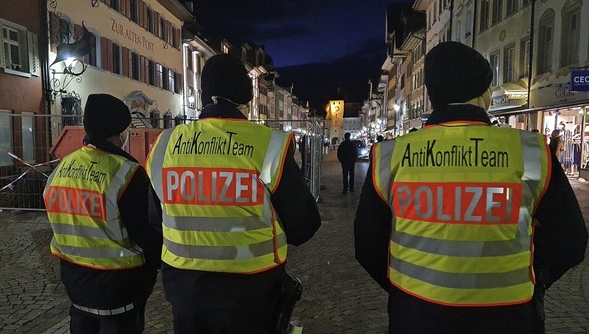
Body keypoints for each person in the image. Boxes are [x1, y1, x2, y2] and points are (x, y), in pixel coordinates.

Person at [354, 41, 587, 334]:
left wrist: (405, 292)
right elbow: (571, 241)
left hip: (416, 317)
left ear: (430, 94)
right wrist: (533, 280)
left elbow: (367, 245)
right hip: (508, 319)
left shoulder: (390, 155)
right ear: (485, 94)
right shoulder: (531, 152)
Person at [145, 54, 321, 334]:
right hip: (252, 292)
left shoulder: (165, 144)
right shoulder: (269, 144)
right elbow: (304, 225)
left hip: (186, 290)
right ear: (246, 95)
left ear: (202, 95)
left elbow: (155, 219)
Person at [43, 94, 162, 333]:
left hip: (75, 280)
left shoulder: (63, 166)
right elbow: (146, 232)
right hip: (119, 286)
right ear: (120, 132)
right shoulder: (126, 173)